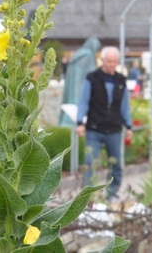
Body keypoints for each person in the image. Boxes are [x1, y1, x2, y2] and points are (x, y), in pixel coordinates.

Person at [76, 46, 133, 201]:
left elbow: (125, 105)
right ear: (102, 60)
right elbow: (84, 101)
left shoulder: (121, 80)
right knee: (90, 163)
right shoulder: (92, 78)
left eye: (115, 62)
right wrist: (80, 122)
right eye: (109, 61)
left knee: (116, 164)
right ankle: (87, 197)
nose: (112, 64)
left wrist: (129, 126)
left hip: (114, 129)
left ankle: (112, 193)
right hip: (95, 128)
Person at [61, 37, 100, 126]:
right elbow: (91, 70)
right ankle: (75, 123)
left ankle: (67, 123)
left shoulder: (78, 54)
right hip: (81, 83)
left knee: (71, 102)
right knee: (78, 103)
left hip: (72, 83)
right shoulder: (88, 55)